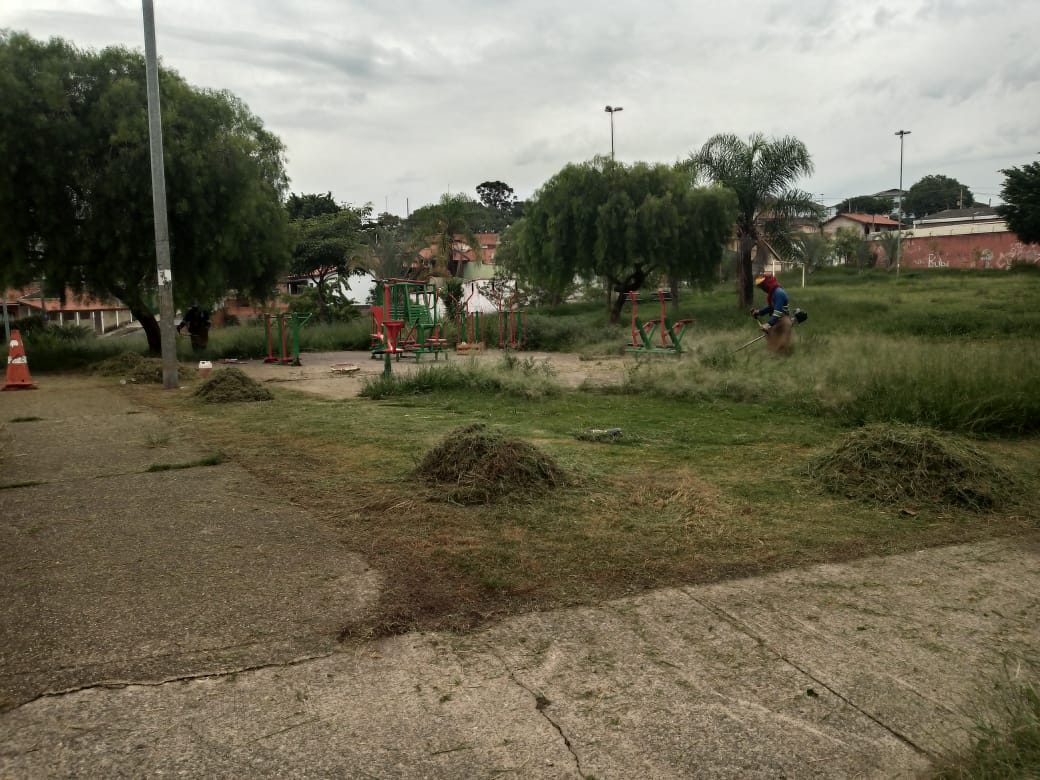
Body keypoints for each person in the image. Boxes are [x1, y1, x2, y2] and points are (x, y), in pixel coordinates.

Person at [749, 273, 792, 354]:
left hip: (783, 322)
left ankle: (783, 358)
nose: (762, 288)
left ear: (768, 283)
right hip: (777, 320)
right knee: (772, 343)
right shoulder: (773, 293)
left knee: (781, 346)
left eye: (762, 285)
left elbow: (777, 312)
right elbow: (771, 307)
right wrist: (759, 312)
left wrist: (768, 324)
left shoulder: (778, 293)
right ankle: (773, 357)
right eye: (760, 286)